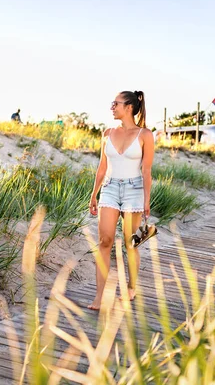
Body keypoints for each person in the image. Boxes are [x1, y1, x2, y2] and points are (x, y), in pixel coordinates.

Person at [88, 90, 154, 310]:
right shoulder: (107, 133)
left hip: (134, 189)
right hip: (110, 188)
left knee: (130, 243)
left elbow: (146, 170)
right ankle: (99, 296)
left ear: (129, 107)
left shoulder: (145, 135)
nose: (112, 107)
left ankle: (131, 287)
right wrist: (94, 193)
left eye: (115, 103)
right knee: (105, 241)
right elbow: (102, 167)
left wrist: (147, 200)